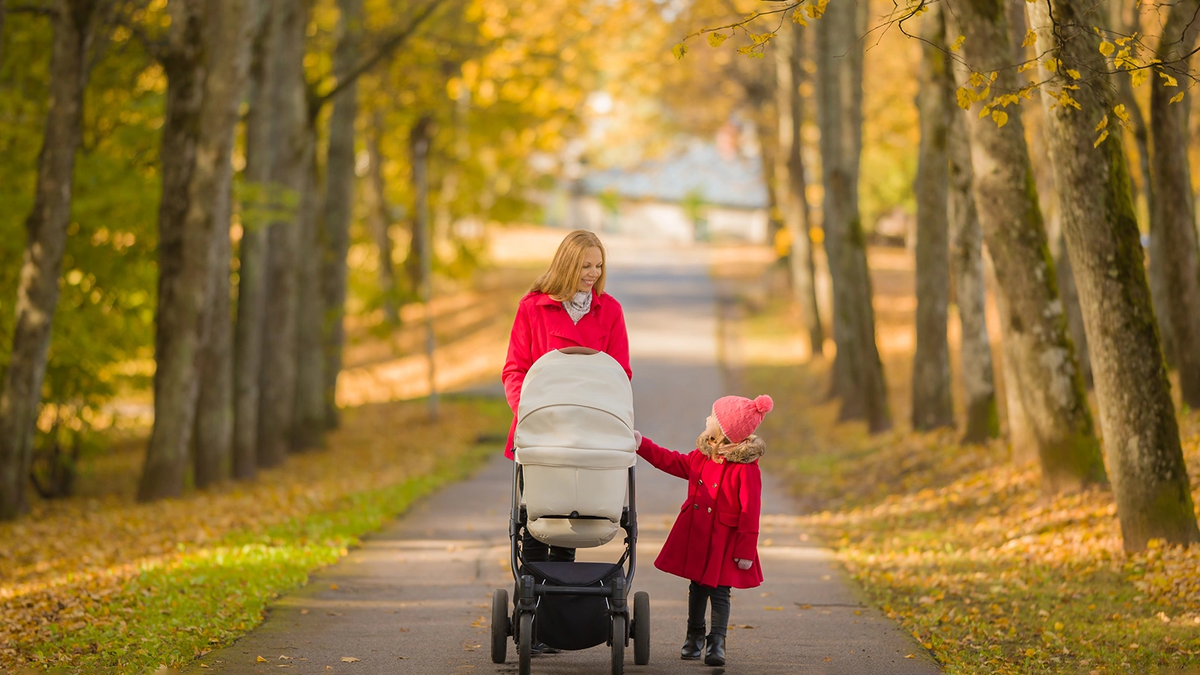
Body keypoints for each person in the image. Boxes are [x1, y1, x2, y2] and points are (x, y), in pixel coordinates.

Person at [502, 230, 631, 653]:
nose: (592, 274)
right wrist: (530, 413)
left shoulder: (609, 311)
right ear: (566, 266)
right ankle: (532, 617)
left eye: (598, 266)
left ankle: (554, 622)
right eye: (584, 267)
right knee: (539, 522)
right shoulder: (533, 308)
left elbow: (620, 375)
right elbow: (515, 370)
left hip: (590, 433)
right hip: (543, 430)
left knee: (572, 521)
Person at [632, 394, 772, 667]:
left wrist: (745, 549)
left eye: (713, 417)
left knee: (720, 591)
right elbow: (672, 461)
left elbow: (750, 511)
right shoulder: (702, 456)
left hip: (724, 539)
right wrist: (642, 445)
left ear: (724, 430)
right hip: (697, 534)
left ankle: (717, 641)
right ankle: (694, 635)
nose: (707, 419)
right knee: (696, 588)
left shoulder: (746, 469)